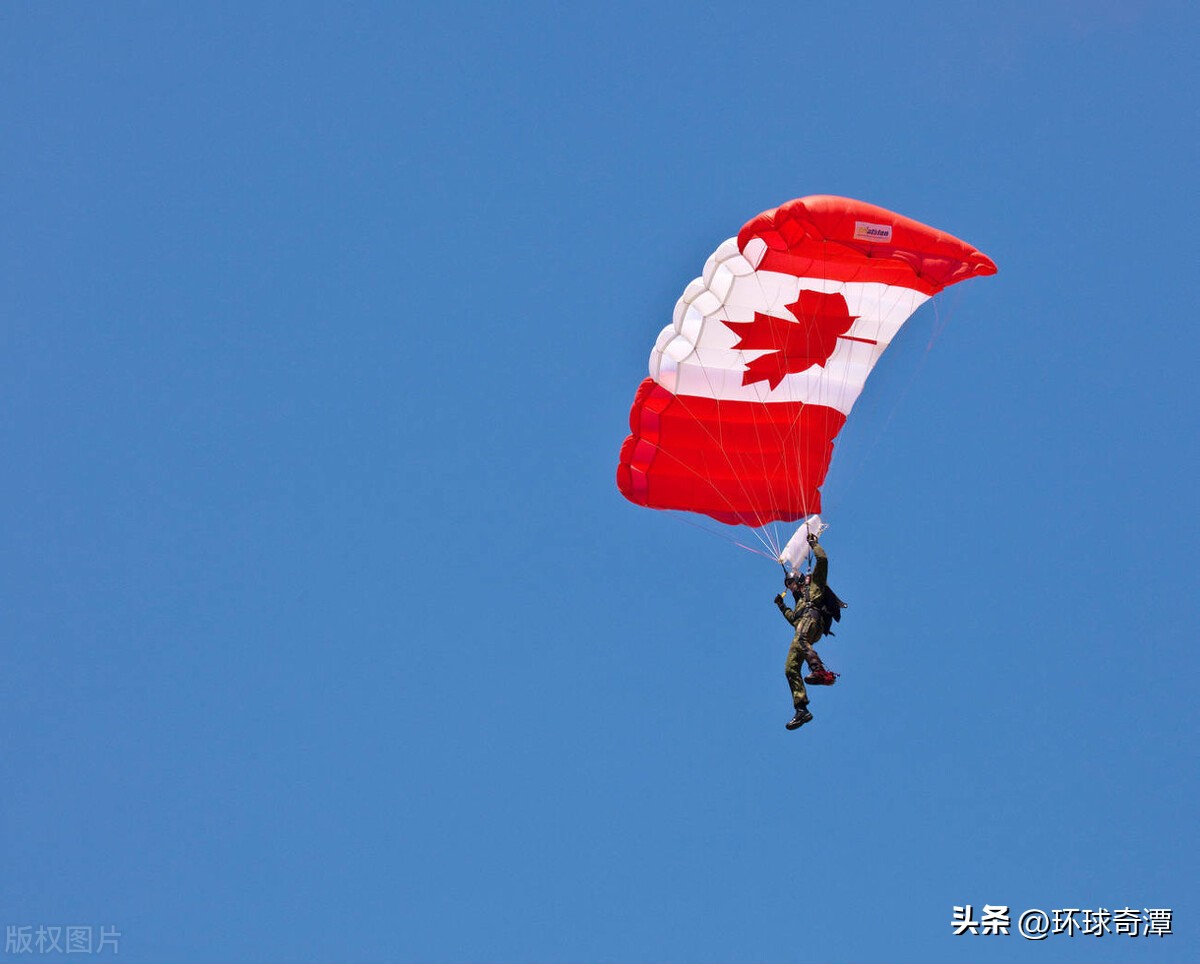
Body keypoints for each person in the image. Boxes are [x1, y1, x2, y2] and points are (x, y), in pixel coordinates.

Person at [775, 533, 838, 730]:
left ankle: (819, 671)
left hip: (813, 621)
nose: (790, 587)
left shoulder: (814, 586)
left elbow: (823, 560)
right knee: (790, 668)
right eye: (788, 585)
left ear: (800, 580)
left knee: (801, 638)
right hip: (802, 625)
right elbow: (794, 620)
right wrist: (782, 606)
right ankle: (801, 709)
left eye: (791, 582)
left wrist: (814, 544)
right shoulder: (798, 604)